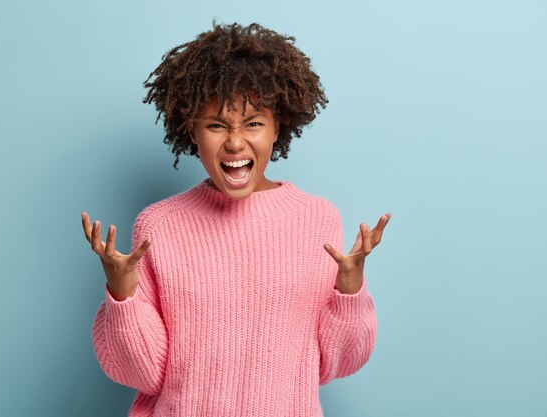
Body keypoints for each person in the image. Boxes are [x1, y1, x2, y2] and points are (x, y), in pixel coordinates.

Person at [82, 21, 391, 417]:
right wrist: (122, 293)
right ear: (191, 131)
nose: (234, 141)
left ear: (278, 127)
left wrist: (350, 291)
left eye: (254, 123)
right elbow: (144, 375)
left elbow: (335, 365)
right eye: (215, 125)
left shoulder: (318, 220)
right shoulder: (158, 225)